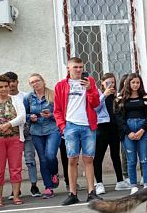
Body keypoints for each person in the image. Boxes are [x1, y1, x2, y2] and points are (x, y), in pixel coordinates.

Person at [53, 57, 102, 204]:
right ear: (68, 68)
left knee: (88, 159)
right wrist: (63, 126)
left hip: (88, 125)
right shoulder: (61, 85)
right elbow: (57, 110)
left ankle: (91, 192)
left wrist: (89, 90)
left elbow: (96, 104)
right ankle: (72, 193)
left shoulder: (89, 82)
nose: (79, 69)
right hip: (71, 125)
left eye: (81, 67)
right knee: (72, 159)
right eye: (75, 67)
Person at [0, 75, 26, 208]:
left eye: (5, 86)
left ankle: (15, 196)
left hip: (14, 139)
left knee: (16, 168)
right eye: (0, 87)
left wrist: (8, 124)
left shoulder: (15, 100)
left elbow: (22, 117)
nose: (3, 89)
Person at [114, 73, 147, 194]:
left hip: (143, 130)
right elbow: (118, 117)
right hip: (128, 131)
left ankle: (146, 184)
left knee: (145, 159)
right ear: (128, 83)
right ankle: (133, 186)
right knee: (131, 160)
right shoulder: (120, 99)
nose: (135, 85)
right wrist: (128, 132)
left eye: (138, 82)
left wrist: (142, 130)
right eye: (133, 82)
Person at [93, 73, 131, 195]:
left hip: (114, 128)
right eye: (108, 82)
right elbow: (95, 108)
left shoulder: (116, 96)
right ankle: (99, 183)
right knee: (98, 156)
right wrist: (104, 95)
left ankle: (120, 181)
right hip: (102, 127)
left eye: (113, 82)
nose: (111, 85)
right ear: (102, 83)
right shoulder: (99, 94)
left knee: (115, 155)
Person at [25, 73, 62, 199]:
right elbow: (23, 114)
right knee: (43, 159)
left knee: (50, 155)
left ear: (43, 81)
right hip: (36, 131)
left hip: (52, 129)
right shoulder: (28, 97)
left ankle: (54, 172)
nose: (35, 83)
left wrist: (50, 115)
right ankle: (48, 187)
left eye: (37, 80)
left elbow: (61, 112)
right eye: (32, 82)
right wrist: (30, 117)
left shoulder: (53, 94)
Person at [4, 72, 39, 198]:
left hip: (27, 132)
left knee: (30, 160)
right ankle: (15, 190)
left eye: (13, 81)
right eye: (8, 82)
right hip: (12, 134)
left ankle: (34, 186)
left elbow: (29, 113)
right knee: (15, 163)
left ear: (17, 82)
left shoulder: (26, 96)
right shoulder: (4, 99)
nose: (11, 84)